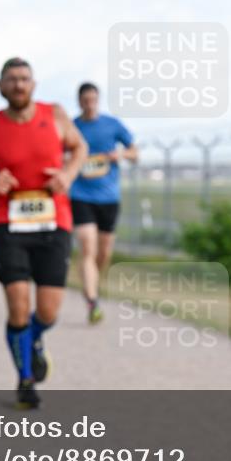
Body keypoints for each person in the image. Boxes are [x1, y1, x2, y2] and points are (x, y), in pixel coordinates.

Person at [0, 57, 88, 409]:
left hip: (54, 222)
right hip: (11, 224)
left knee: (48, 312)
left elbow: (80, 149)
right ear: (0, 86)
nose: (19, 85)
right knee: (19, 309)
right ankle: (25, 380)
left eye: (24, 79)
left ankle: (34, 342)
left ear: (33, 84)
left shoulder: (56, 115)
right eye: (12, 80)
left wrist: (67, 174)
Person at [69, 82, 137, 323]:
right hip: (80, 195)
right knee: (88, 247)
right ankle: (92, 300)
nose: (89, 105)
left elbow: (134, 153)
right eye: (85, 100)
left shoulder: (112, 125)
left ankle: (93, 282)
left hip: (108, 197)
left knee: (104, 252)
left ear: (98, 100)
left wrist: (120, 154)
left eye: (93, 100)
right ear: (79, 101)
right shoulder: (72, 127)